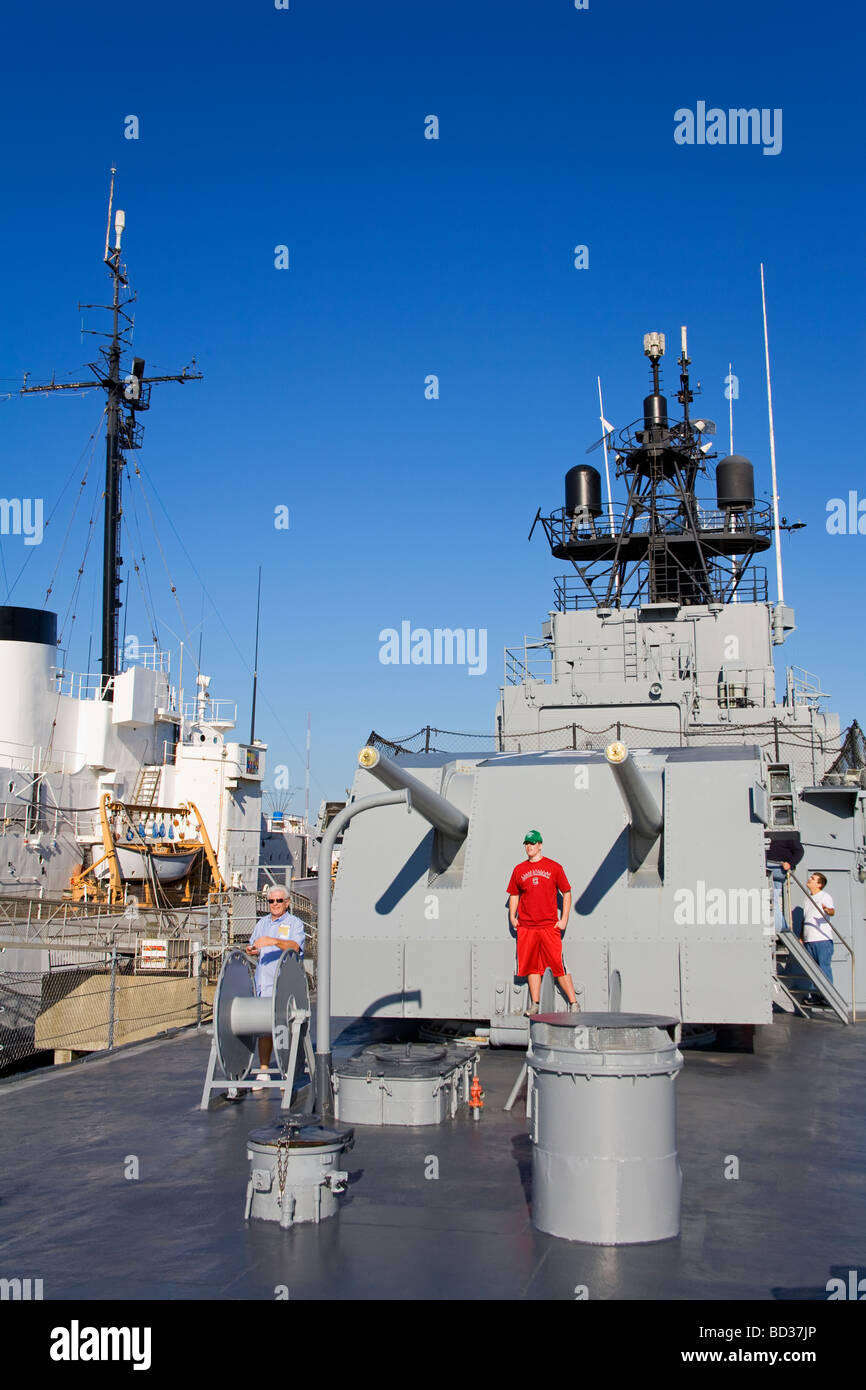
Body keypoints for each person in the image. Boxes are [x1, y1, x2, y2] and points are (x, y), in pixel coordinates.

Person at [506, 830, 580, 1016]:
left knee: (558, 965)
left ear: (540, 845)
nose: (529, 846)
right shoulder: (519, 870)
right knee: (531, 966)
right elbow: (514, 894)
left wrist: (563, 919)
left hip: (548, 926)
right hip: (527, 927)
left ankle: (574, 1003)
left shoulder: (554, 867)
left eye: (533, 843)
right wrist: (512, 917)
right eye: (527, 844)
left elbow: (567, 892)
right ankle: (535, 1003)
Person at [247, 888, 305, 1089]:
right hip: (263, 983)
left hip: (283, 984)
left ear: (287, 902)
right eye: (271, 901)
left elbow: (295, 947)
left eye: (279, 900)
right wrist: (252, 949)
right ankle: (263, 1070)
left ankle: (286, 1070)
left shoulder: (294, 924)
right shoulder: (262, 923)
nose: (275, 904)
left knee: (285, 1028)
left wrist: (273, 941)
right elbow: (255, 945)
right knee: (265, 1029)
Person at [801, 871, 835, 1003]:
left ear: (819, 884)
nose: (809, 879)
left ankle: (827, 996)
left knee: (823, 967)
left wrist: (828, 911)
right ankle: (815, 995)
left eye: (813, 879)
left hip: (822, 939)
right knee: (812, 969)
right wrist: (801, 936)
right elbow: (805, 918)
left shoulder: (824, 896)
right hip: (809, 938)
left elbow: (832, 911)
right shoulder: (806, 899)